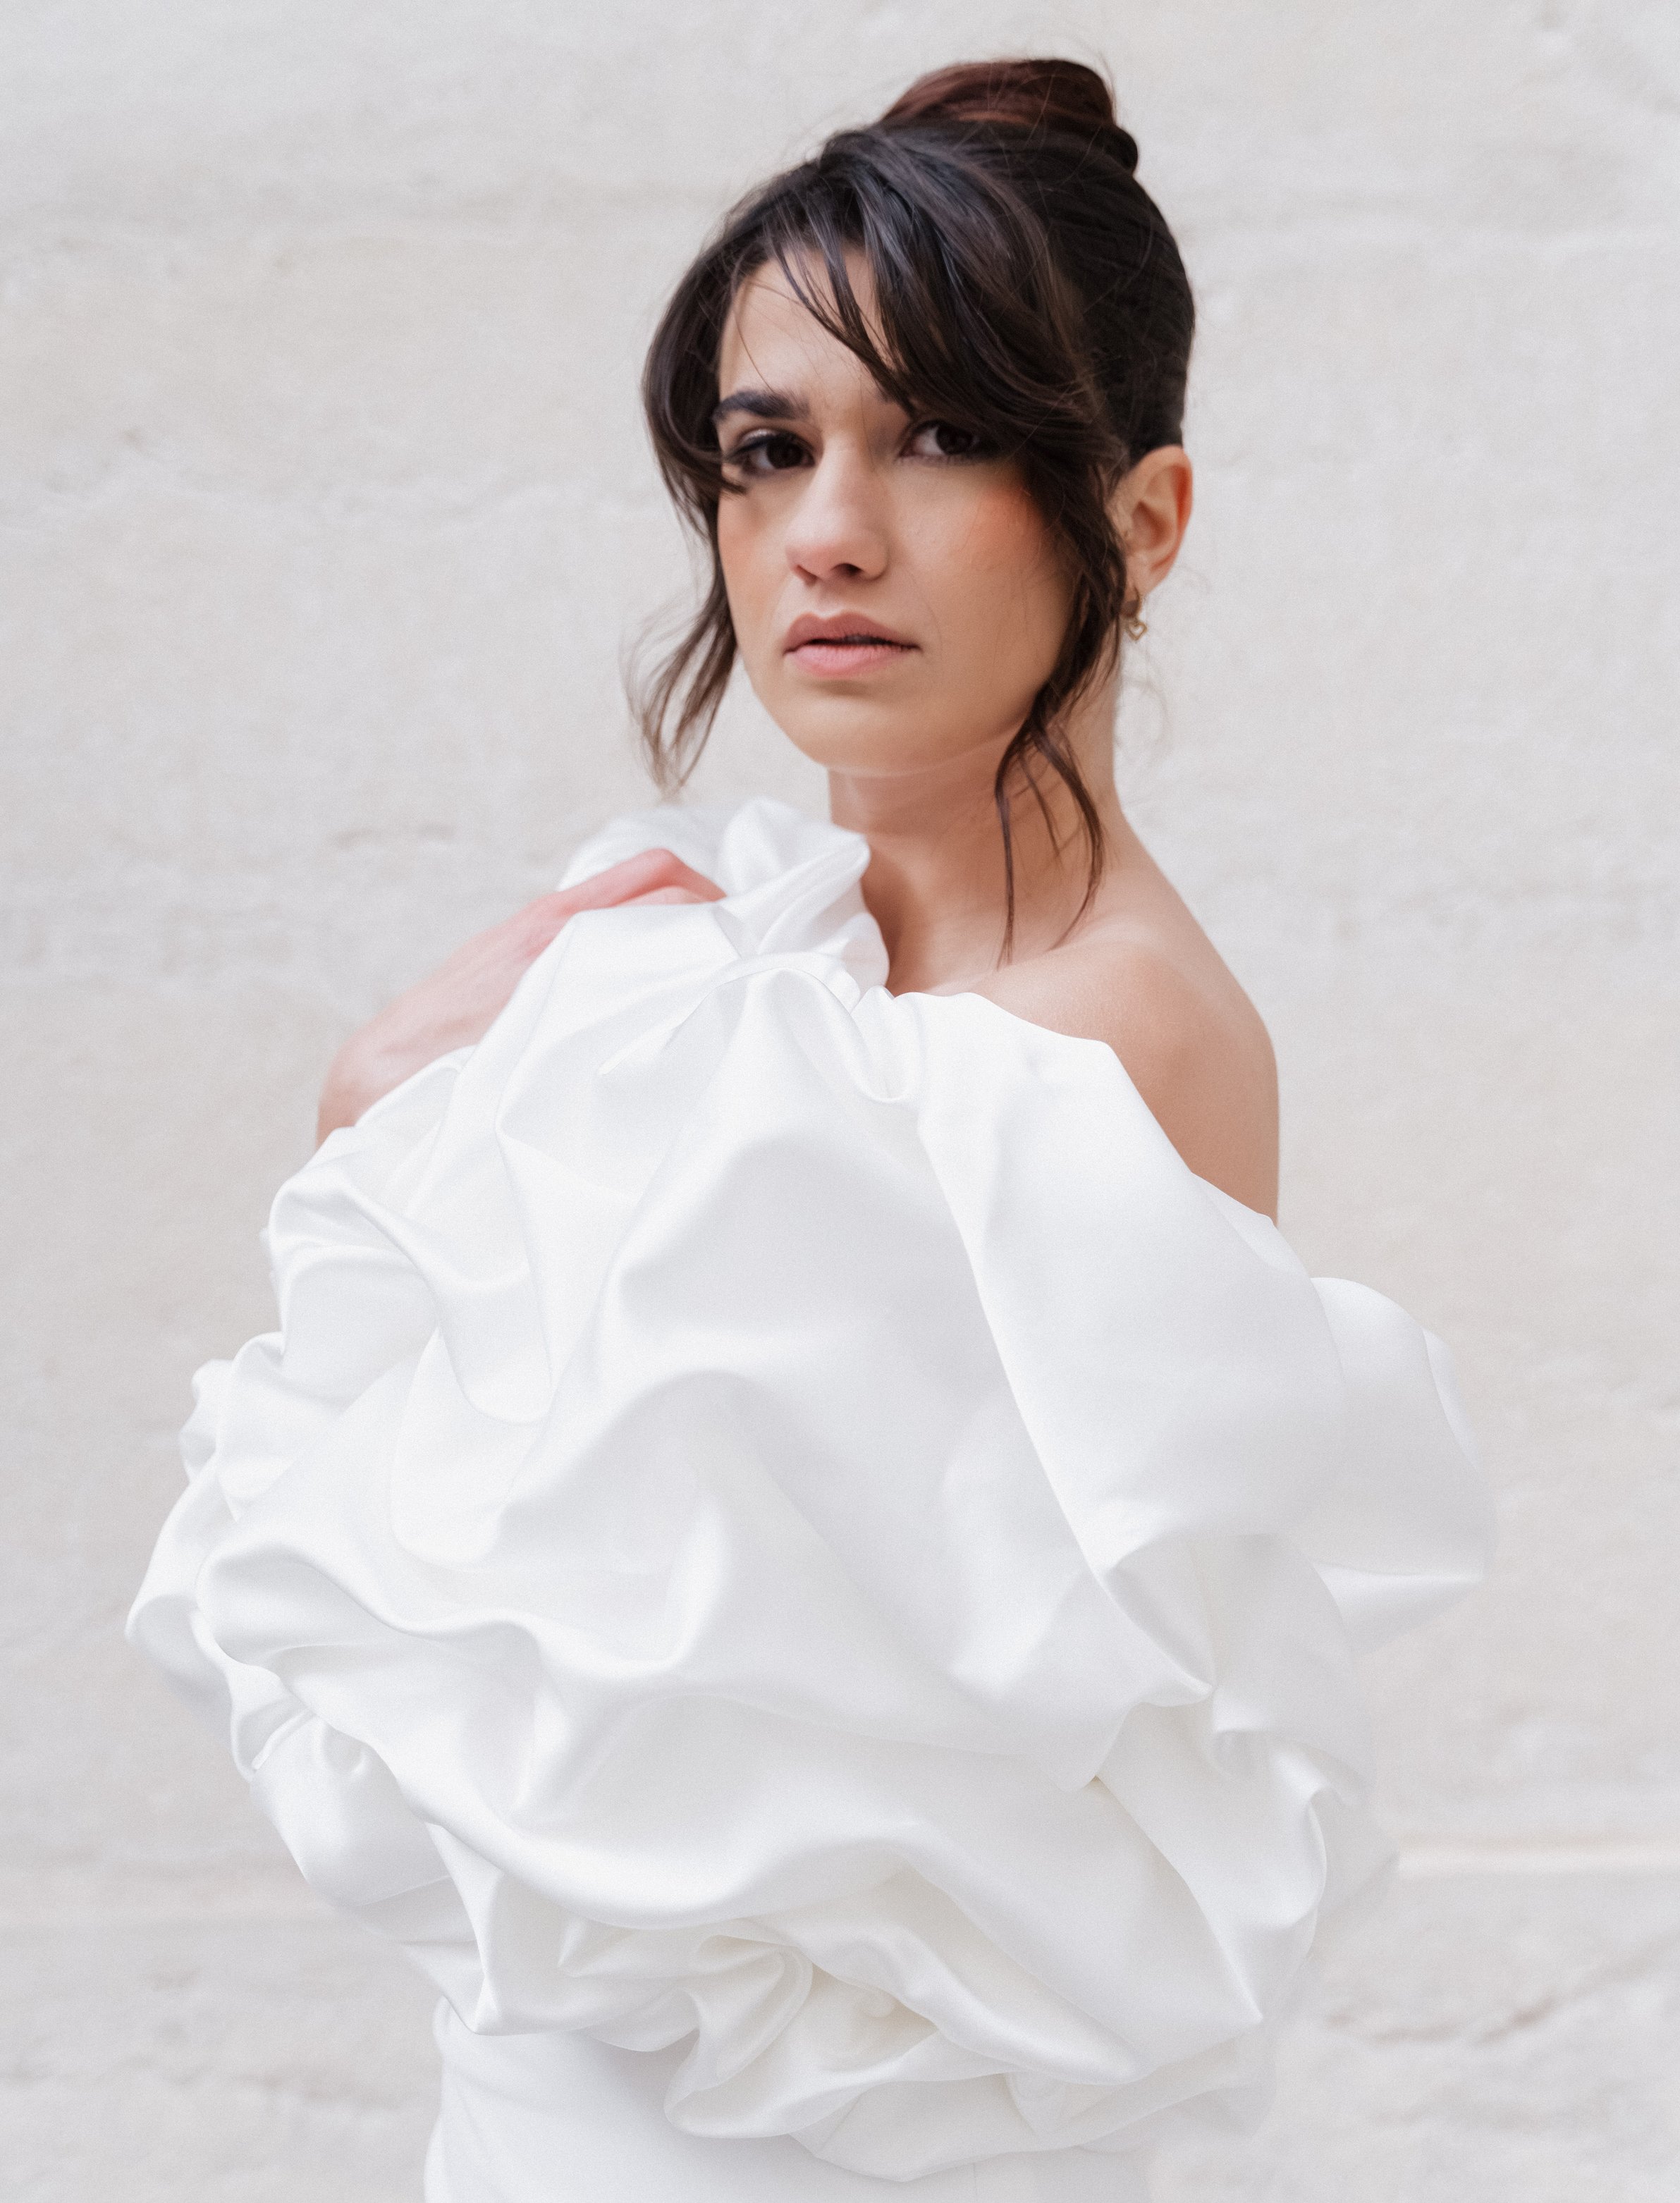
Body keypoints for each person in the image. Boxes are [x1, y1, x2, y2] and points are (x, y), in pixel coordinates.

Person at [129, 59, 1491, 2202]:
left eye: (939, 437)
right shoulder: (744, 972)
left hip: (850, 2148)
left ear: (1138, 519)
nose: (826, 533)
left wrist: (398, 1080)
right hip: (572, 2104)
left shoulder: (1076, 1036)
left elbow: (587, 1621)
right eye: (767, 453)